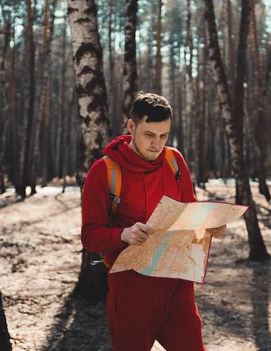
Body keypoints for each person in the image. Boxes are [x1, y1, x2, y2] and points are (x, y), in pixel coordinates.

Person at [81, 92, 226, 351]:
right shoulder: (104, 171)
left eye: (163, 136)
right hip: (131, 291)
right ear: (131, 127)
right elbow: (90, 236)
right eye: (149, 135)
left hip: (177, 286)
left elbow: (189, 210)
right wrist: (122, 234)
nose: (157, 144)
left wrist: (208, 224)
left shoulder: (174, 161)